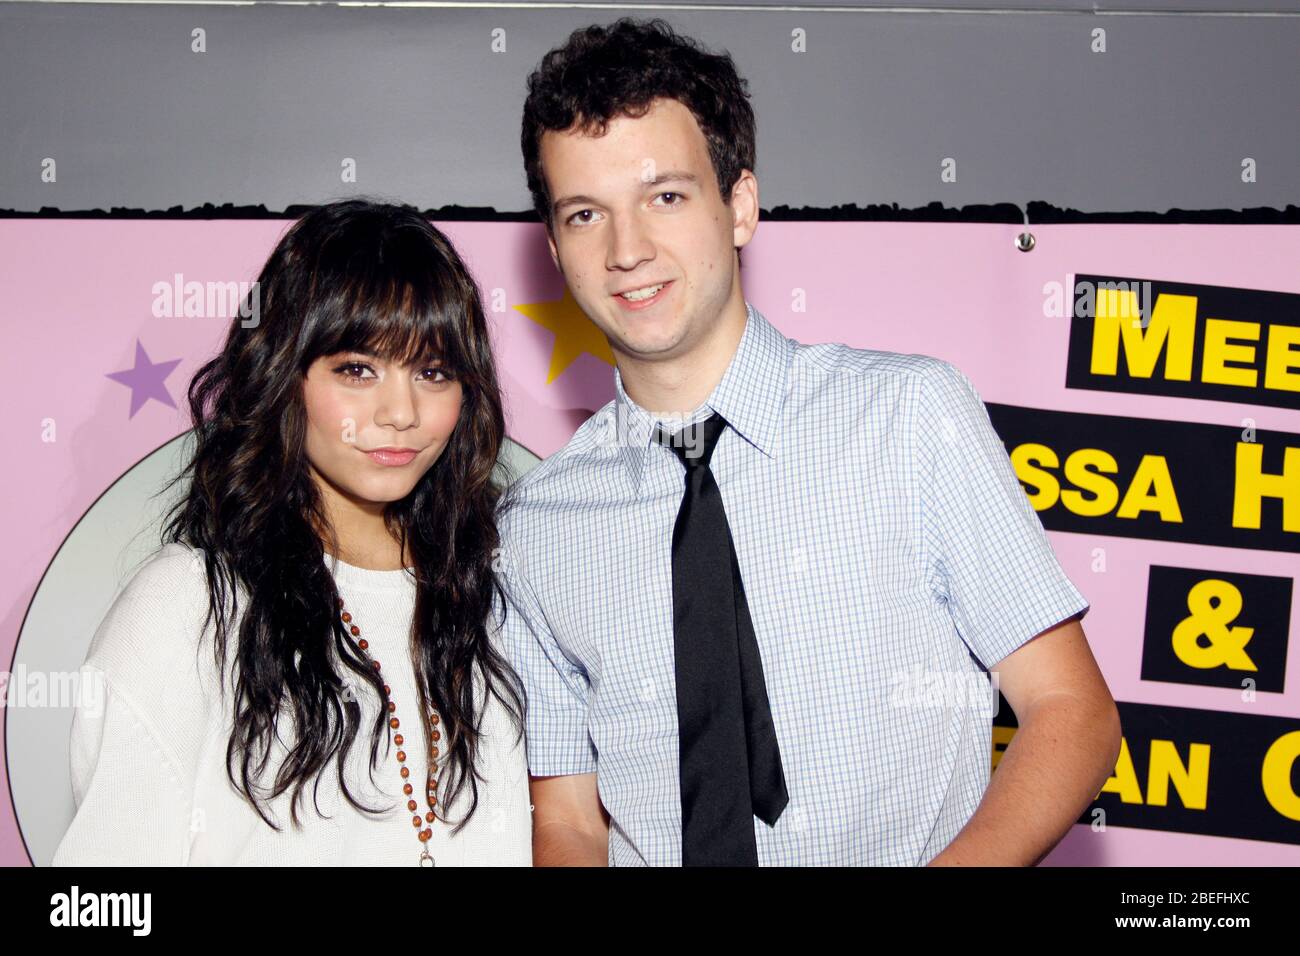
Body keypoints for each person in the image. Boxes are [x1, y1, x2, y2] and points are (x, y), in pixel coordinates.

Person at [496, 18, 1122, 867]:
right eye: (585, 214)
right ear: (556, 247)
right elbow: (568, 820)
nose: (628, 249)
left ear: (741, 205)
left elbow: (1070, 710)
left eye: (666, 197)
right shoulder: (537, 522)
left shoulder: (907, 417)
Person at [53, 199, 531, 866]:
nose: (401, 413)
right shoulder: (187, 607)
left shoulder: (502, 601)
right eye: (357, 370)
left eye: (433, 372)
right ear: (284, 374)